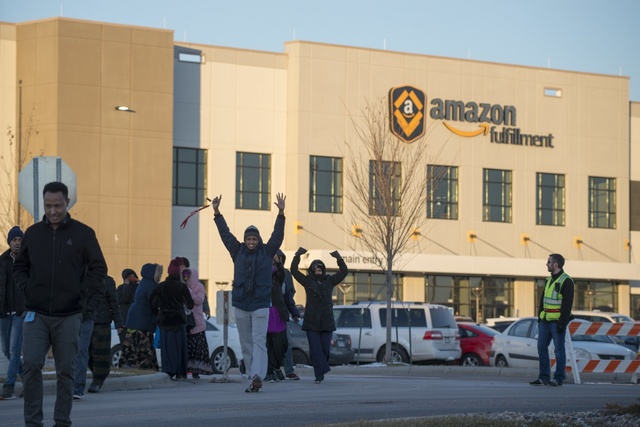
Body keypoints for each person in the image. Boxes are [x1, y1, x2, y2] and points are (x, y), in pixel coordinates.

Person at [13, 181, 107, 427]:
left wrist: (81, 293)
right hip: (36, 313)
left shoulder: (84, 234)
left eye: (57, 205)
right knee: (31, 365)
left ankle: (62, 421)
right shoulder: (32, 234)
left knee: (66, 371)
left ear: (67, 202)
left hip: (69, 314)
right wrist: (27, 289)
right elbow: (20, 268)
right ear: (43, 205)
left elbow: (99, 269)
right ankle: (33, 422)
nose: (52, 211)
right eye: (48, 206)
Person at [211, 193, 286, 393]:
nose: (251, 242)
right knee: (246, 344)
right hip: (241, 304)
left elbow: (277, 235)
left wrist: (281, 213)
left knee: (259, 341)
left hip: (261, 304)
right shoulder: (237, 250)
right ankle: (254, 376)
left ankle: (257, 375)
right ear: (244, 240)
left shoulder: (267, 251)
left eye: (254, 239)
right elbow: (225, 234)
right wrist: (217, 212)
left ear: (258, 239)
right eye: (248, 239)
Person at [290, 247, 348, 383]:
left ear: (323, 270)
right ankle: (319, 374)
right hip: (311, 321)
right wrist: (297, 255)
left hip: (326, 321)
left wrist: (338, 258)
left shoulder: (330, 280)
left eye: (320, 269)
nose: (318, 271)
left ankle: (321, 368)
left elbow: (344, 271)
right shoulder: (307, 281)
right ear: (311, 270)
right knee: (315, 349)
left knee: (325, 349)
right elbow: (294, 270)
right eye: (315, 269)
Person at [530, 253, 574, 387]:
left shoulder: (566, 281)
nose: (547, 264)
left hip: (556, 322)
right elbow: (543, 300)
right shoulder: (548, 280)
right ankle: (543, 377)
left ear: (556, 264)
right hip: (545, 321)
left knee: (559, 350)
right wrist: (539, 317)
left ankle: (558, 378)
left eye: (549, 262)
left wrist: (562, 323)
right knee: (541, 348)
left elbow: (567, 304)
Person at [150, 257, 194, 380]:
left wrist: (159, 313)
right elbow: (190, 304)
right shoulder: (181, 287)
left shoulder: (161, 286)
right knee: (179, 348)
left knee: (166, 348)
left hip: (164, 321)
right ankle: (180, 372)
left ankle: (167, 370)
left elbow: (152, 303)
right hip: (178, 321)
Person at [120, 263, 162, 371]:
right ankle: (133, 364)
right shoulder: (152, 285)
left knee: (131, 342)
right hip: (143, 318)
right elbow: (154, 303)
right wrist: (158, 314)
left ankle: (127, 362)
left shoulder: (143, 283)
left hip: (134, 317)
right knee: (144, 345)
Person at [87, 276, 124, 393]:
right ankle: (98, 374)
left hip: (102, 322)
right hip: (86, 320)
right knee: (86, 353)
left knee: (100, 353)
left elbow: (114, 303)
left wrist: (119, 323)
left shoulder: (107, 281)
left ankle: (97, 380)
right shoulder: (82, 278)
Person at [0, 226, 24, 400]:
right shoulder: (2, 261)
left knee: (14, 350)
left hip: (20, 314)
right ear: (9, 242)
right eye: (14, 240)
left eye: (19, 240)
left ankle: (8, 387)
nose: (17, 243)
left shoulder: (28, 261)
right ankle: (29, 380)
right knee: (7, 351)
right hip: (3, 313)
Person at [73, 279, 105, 399]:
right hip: (68, 315)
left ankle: (78, 387)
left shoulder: (92, 268)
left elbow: (100, 290)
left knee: (81, 350)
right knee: (68, 350)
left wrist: (89, 307)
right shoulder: (69, 266)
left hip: (86, 317)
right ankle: (68, 384)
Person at [183, 268, 213, 378]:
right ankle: (187, 369)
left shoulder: (199, 287)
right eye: (185, 276)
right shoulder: (183, 286)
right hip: (187, 323)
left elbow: (199, 300)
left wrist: (189, 291)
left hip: (197, 323)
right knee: (188, 350)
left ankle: (196, 371)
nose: (186, 278)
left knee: (197, 349)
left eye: (188, 276)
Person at [277, 250, 301, 380]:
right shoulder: (265, 271)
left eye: (281, 258)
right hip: (268, 314)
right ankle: (271, 370)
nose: (278, 261)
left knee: (287, 343)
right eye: (276, 258)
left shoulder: (286, 274)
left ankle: (289, 370)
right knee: (268, 343)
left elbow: (289, 294)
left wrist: (294, 313)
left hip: (283, 313)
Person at [264, 254, 289, 383]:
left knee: (280, 345)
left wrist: (277, 262)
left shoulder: (277, 277)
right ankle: (270, 371)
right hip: (264, 313)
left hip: (277, 314)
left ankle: (277, 367)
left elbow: (281, 273)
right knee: (267, 345)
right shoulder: (260, 275)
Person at [116, 268, 139, 341]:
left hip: (137, 320)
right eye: (129, 276)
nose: (132, 278)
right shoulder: (121, 288)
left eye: (133, 276)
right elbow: (123, 300)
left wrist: (140, 284)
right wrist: (127, 286)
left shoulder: (138, 287)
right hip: (125, 320)